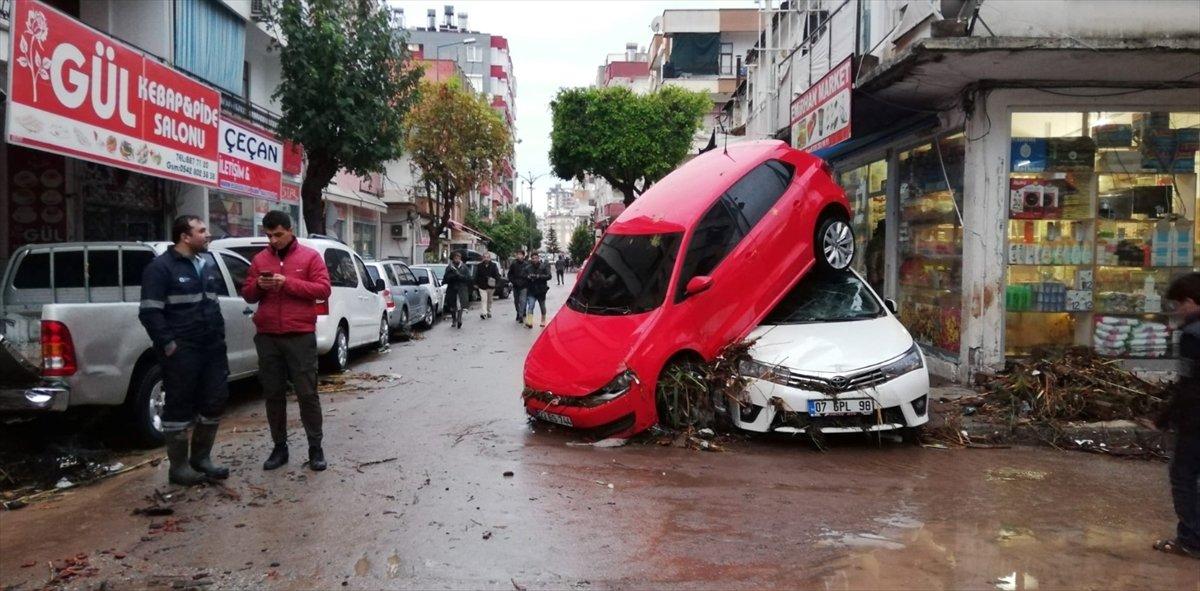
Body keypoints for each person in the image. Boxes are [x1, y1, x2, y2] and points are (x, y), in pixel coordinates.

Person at [138, 216, 229, 486]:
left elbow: (212, 304)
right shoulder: (160, 268)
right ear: (185, 237)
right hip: (183, 349)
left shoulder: (206, 264)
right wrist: (169, 344)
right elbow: (150, 312)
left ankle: (201, 459)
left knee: (214, 401)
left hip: (211, 347)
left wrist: (219, 337)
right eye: (201, 231)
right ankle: (179, 468)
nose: (207, 235)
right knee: (179, 405)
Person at [241, 211, 332, 472]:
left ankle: (315, 448)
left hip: (299, 335)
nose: (273, 240)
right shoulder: (260, 259)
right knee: (273, 394)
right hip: (268, 336)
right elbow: (247, 294)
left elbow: (323, 289)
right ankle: (279, 447)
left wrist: (287, 283)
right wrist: (259, 285)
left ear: (290, 230)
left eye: (278, 235)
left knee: (307, 394)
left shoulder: (310, 257)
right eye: (269, 235)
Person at [1155, 272, 1200, 559]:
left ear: (1192, 301)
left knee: (1183, 476)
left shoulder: (1192, 335)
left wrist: (1165, 417)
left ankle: (1190, 540)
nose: (1178, 310)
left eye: (1180, 304)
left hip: (1195, 420)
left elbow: (1189, 384)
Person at [443, 251, 471, 329]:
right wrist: (453, 276)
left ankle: (459, 320)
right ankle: (454, 319)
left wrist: (459, 275)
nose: (457, 259)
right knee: (452, 306)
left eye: (459, 258)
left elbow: (468, 278)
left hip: (461, 289)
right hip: (452, 289)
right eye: (456, 258)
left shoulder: (464, 267)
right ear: (453, 259)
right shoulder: (449, 267)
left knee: (460, 305)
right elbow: (446, 278)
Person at [524, 252, 552, 328]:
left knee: (542, 306)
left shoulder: (544, 266)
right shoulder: (528, 267)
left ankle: (543, 320)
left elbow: (549, 276)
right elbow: (524, 276)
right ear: (531, 259)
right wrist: (528, 277)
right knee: (531, 306)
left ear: (538, 258)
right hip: (531, 290)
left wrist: (539, 276)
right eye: (533, 258)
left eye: (536, 258)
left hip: (541, 290)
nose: (534, 260)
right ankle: (529, 322)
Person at [475, 252, 501, 320]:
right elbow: (476, 275)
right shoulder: (479, 265)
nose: (486, 259)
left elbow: (497, 275)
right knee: (483, 300)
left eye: (487, 257)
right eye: (485, 257)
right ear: (483, 258)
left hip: (491, 286)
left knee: (489, 300)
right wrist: (475, 283)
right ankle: (484, 313)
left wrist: (497, 284)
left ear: (490, 258)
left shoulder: (493, 265)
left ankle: (488, 311)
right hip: (482, 286)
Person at [507, 250, 530, 323]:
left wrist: (526, 281)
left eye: (521, 254)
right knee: (516, 301)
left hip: (524, 286)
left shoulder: (527, 265)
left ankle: (521, 315)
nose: (519, 256)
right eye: (518, 254)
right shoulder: (513, 264)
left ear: (523, 256)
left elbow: (529, 275)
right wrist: (513, 281)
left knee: (523, 301)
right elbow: (509, 275)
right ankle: (519, 312)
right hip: (515, 286)